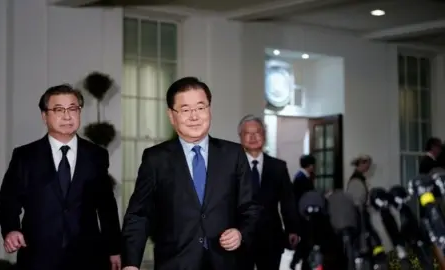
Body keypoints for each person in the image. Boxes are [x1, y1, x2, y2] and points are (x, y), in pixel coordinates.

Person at [121, 77, 261, 270]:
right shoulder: (156, 159)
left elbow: (251, 207)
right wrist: (131, 263)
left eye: (201, 108)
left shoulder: (233, 154)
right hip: (175, 263)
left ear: (209, 110)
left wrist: (240, 233)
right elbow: (139, 215)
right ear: (171, 115)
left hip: (226, 262)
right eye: (185, 110)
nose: (194, 116)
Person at [0, 85, 121, 270]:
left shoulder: (96, 155)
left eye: (73, 109)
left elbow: (106, 206)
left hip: (88, 256)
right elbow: (8, 198)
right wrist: (11, 229)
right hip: (38, 257)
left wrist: (114, 249)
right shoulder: (26, 156)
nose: (67, 116)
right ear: (44, 116)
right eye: (58, 110)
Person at [236, 114, 300, 270]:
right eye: (247, 133)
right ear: (240, 137)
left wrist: (292, 229)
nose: (252, 137)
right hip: (240, 237)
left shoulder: (278, 167)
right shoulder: (231, 166)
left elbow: (287, 201)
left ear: (264, 136)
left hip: (271, 237)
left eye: (257, 132)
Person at [290, 154, 316, 270]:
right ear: (310, 165)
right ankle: (301, 262)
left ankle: (297, 260)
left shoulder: (301, 177)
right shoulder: (301, 179)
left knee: (305, 240)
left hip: (302, 214)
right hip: (303, 214)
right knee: (306, 239)